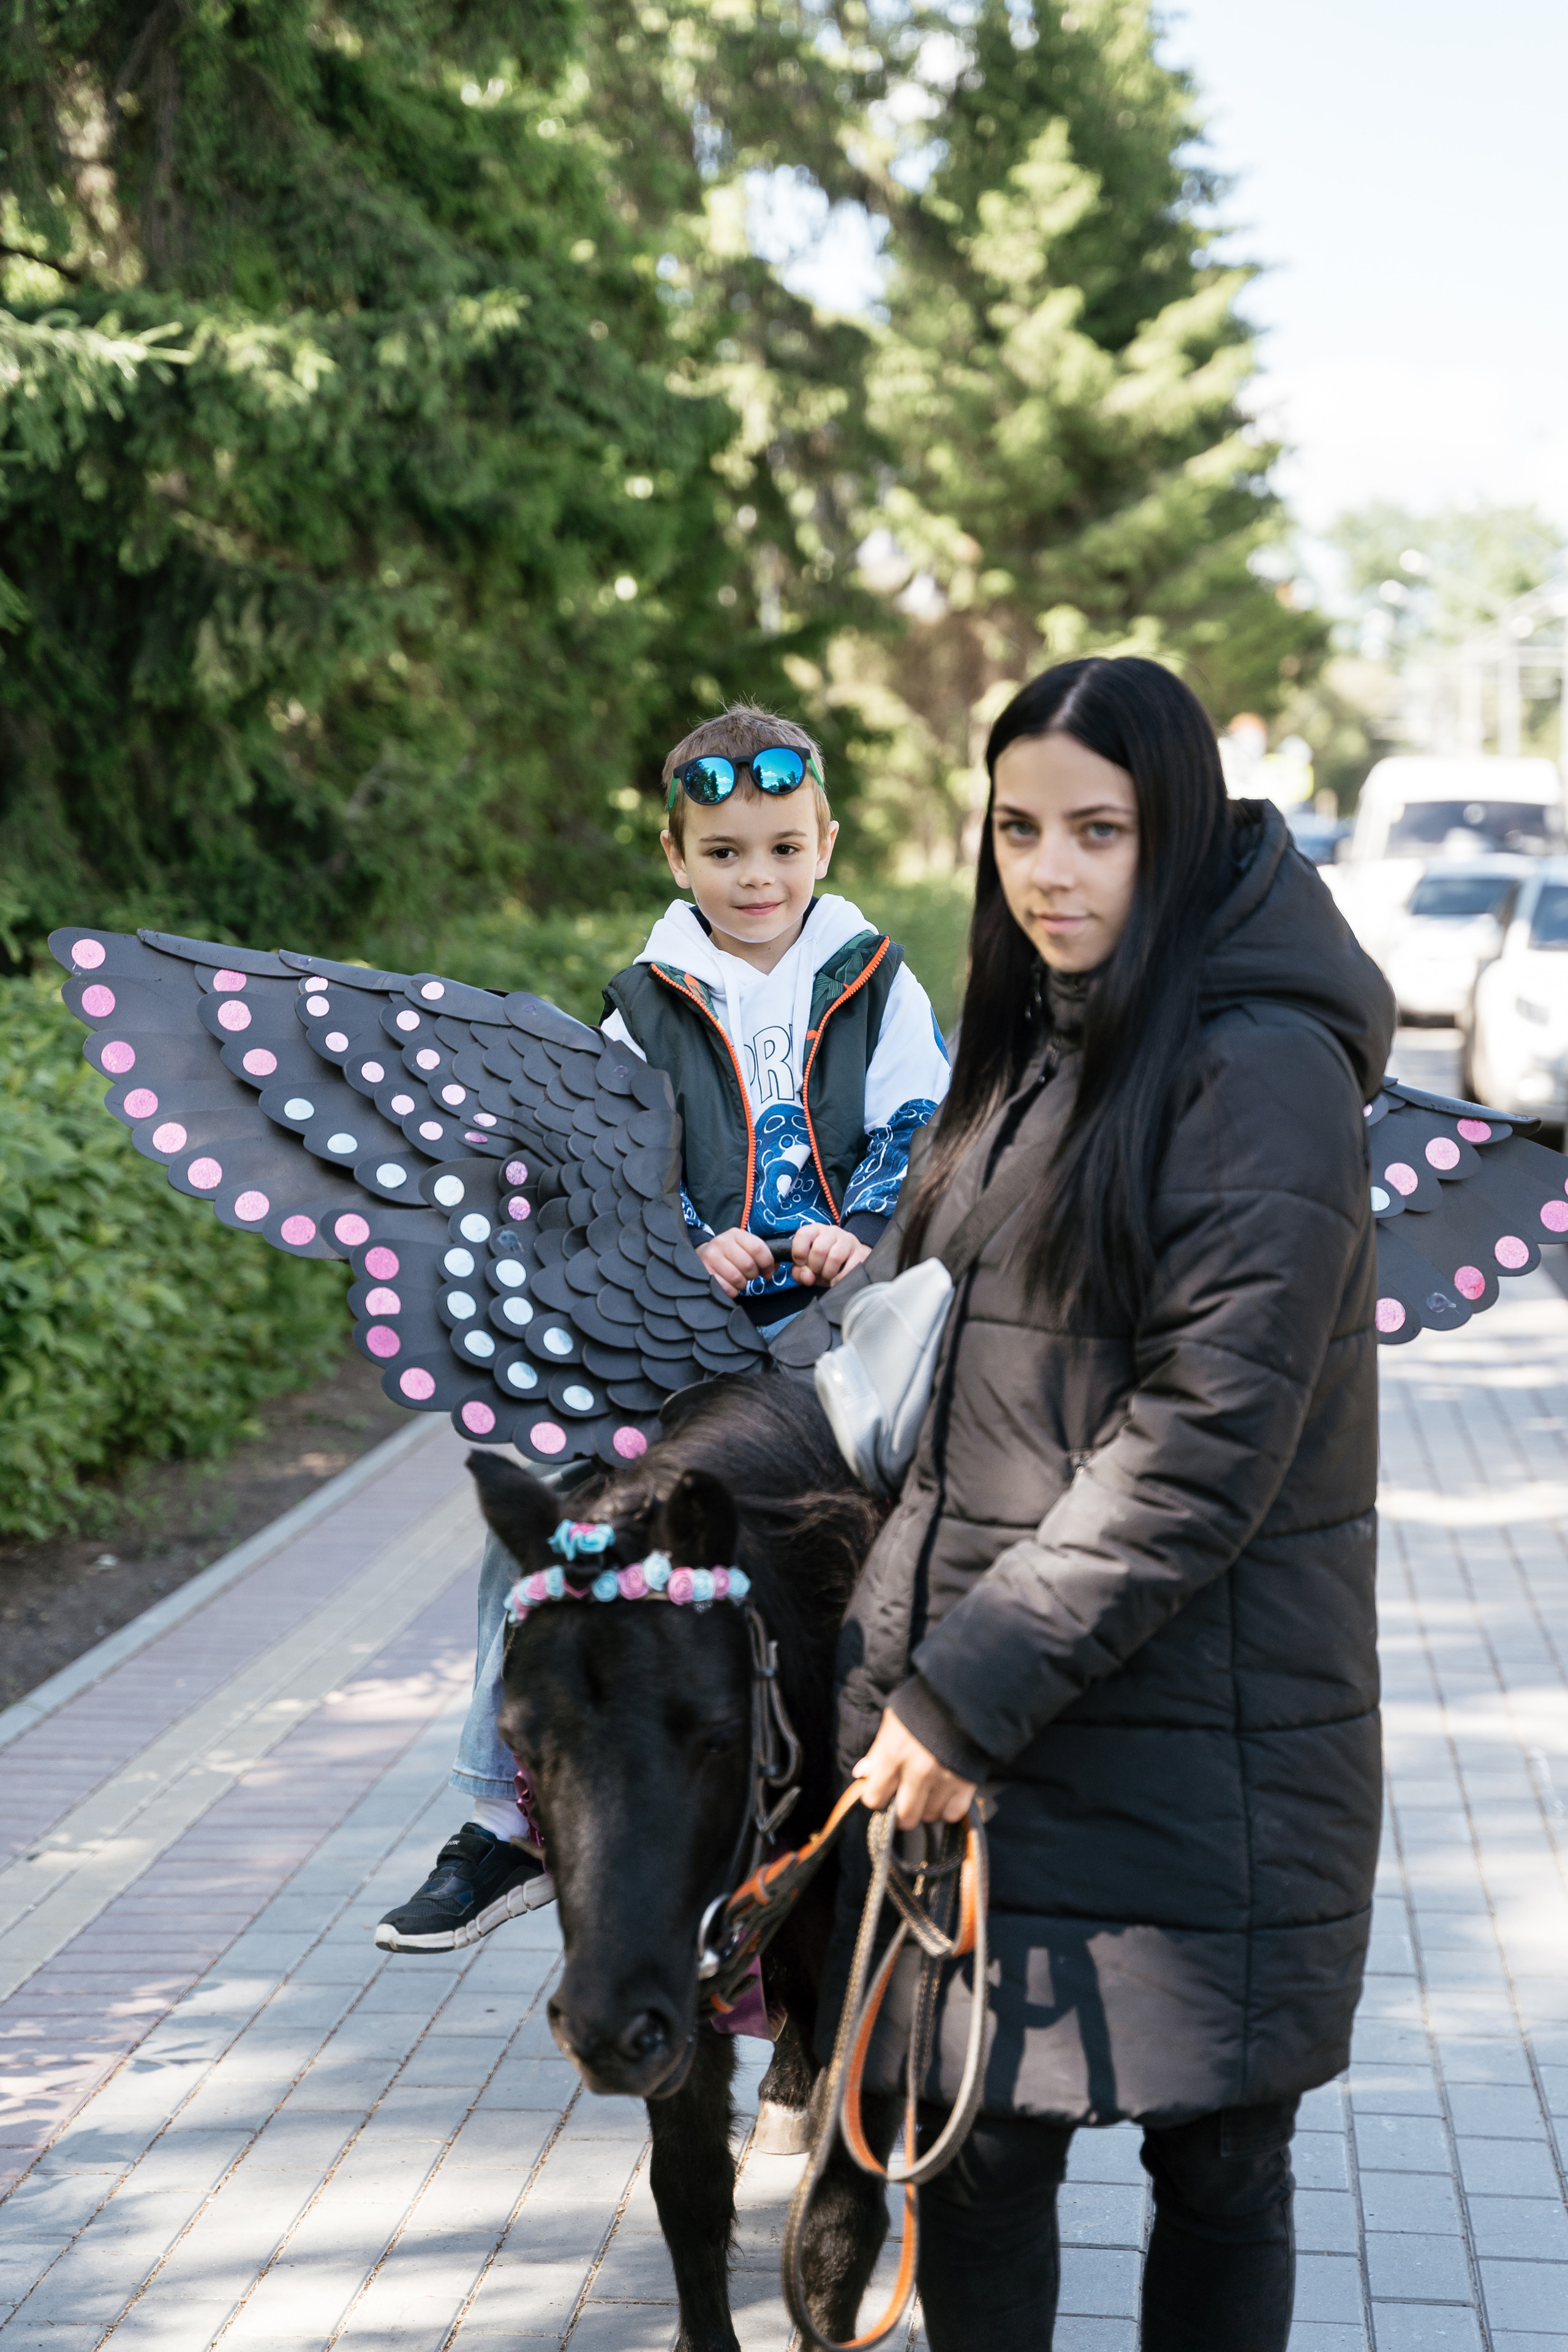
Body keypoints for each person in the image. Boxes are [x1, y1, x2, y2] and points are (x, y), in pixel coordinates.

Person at [816, 655, 1393, 2349]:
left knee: (1218, 2167)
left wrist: (957, 1694)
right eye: (1016, 829)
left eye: (1099, 830)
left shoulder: (1258, 1071)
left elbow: (1202, 1442)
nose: (1049, 871)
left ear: (1181, 830)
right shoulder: (1026, 1054)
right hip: (985, 1744)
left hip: (1198, 1739)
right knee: (975, 2159)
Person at [375, 703, 951, 1953]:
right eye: (729, 852)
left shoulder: (879, 983)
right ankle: (505, 1816)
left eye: (785, 848)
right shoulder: (637, 1003)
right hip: (678, 1340)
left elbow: (925, 1126)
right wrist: (686, 1239)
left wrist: (859, 1223)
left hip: (842, 1336)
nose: (760, 877)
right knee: (549, 1526)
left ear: (827, 841)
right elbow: (593, 1163)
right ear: (676, 857)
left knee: (945, 1518)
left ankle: (930, 1776)